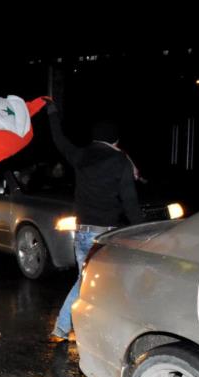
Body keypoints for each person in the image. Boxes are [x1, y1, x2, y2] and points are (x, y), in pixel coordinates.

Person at [45, 100, 144, 343]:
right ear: (115, 139)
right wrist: (142, 230)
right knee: (91, 282)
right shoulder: (119, 161)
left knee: (88, 281)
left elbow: (59, 140)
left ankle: (76, 327)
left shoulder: (81, 155)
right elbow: (130, 201)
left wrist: (52, 113)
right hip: (105, 235)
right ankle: (67, 326)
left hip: (82, 232)